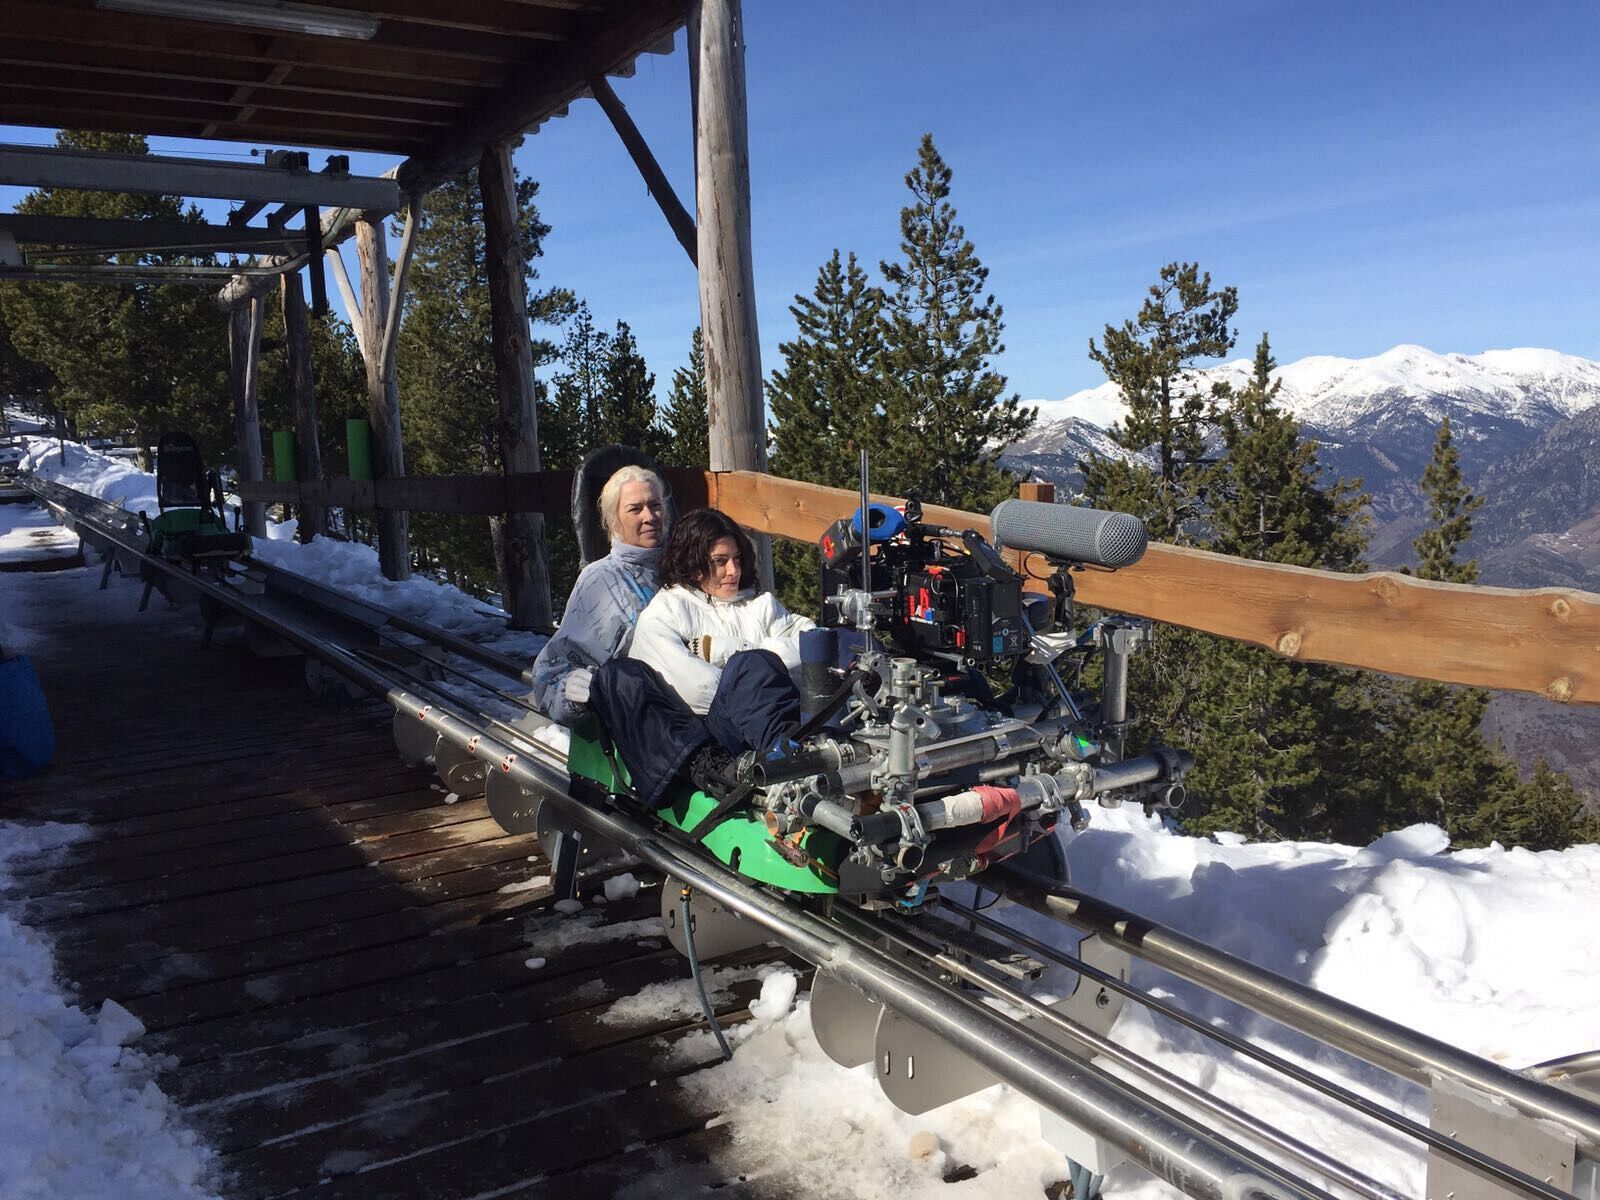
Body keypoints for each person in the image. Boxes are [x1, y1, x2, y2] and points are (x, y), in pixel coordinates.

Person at [588, 509, 815, 809]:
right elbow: (693, 690)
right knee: (746, 668)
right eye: (720, 561)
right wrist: (751, 672)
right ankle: (776, 768)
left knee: (753, 666)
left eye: (737, 559)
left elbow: (811, 646)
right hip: (708, 733)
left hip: (765, 722)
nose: (733, 570)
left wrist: (726, 651)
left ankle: (794, 761)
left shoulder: (760, 605)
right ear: (694, 565)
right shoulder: (668, 610)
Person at [528, 465, 666, 727]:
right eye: (635, 509)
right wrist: (572, 693)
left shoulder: (686, 565)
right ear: (614, 520)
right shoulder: (600, 579)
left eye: (655, 505)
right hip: (638, 723)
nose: (649, 516)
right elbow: (554, 672)